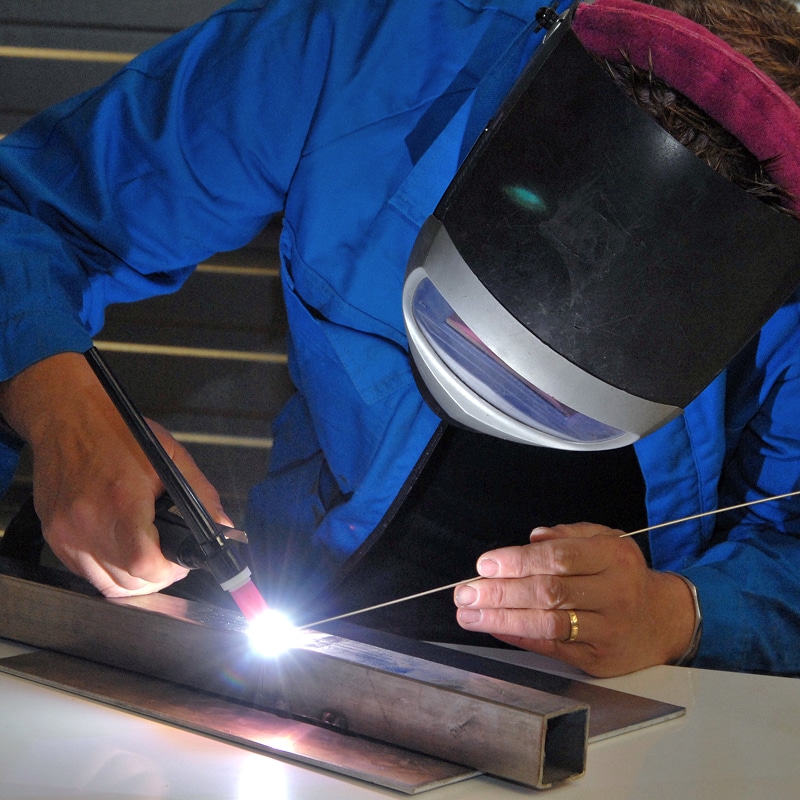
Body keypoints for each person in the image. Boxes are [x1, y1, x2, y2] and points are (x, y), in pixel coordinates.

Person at [0, 0, 798, 678]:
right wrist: (63, 414)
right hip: (319, 603)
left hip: (629, 682)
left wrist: (680, 613)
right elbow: (31, 214)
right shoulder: (372, 47)